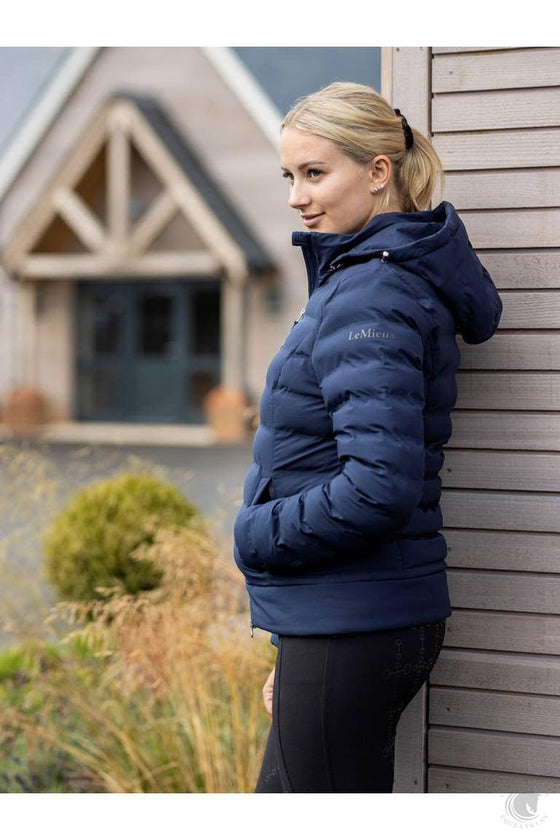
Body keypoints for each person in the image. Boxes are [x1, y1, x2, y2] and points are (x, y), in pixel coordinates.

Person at [233, 82, 502, 793]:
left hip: (354, 622)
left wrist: (256, 533)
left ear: (379, 170)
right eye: (289, 176)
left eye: (314, 173)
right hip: (342, 618)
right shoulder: (371, 280)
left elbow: (377, 486)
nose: (297, 196)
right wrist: (296, 639)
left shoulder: (373, 294)